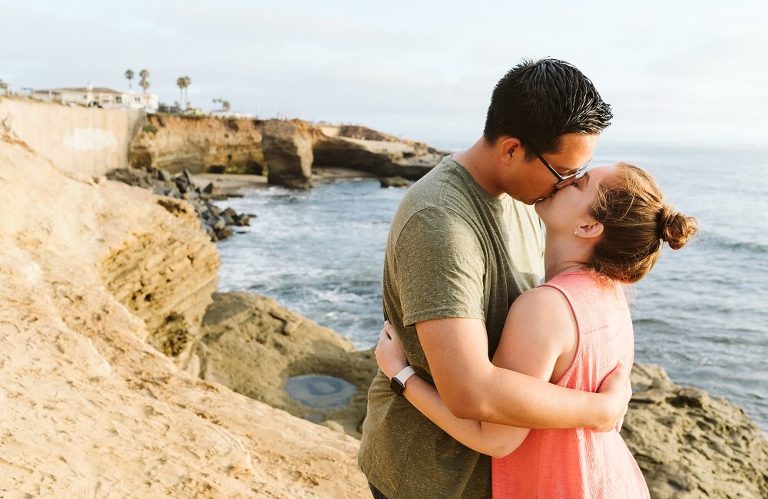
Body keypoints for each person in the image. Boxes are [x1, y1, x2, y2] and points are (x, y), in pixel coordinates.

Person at [358, 58, 631, 499]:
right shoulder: (441, 220)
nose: (567, 186)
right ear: (511, 149)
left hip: (496, 474)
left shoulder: (526, 196)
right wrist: (600, 410)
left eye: (579, 175)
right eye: (564, 173)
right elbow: (469, 391)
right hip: (432, 478)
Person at [375, 162, 698, 497]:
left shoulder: (545, 308)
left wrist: (401, 374)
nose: (567, 179)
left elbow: (495, 438)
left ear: (588, 226)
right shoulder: (612, 296)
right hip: (611, 481)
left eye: (581, 182)